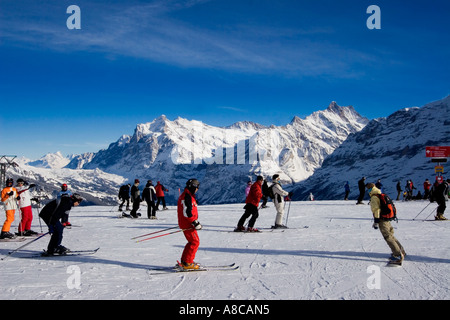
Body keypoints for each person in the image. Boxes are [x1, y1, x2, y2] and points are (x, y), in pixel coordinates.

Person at [366, 183, 405, 265]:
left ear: (370, 189)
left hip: (382, 220)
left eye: (368, 188)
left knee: (387, 236)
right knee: (391, 235)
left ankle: (397, 255)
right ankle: (401, 251)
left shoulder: (374, 197)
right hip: (387, 219)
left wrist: (376, 221)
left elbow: (376, 210)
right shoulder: (380, 194)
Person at [177, 179, 202, 270]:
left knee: (191, 242)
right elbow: (187, 212)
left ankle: (185, 261)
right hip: (188, 223)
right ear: (193, 187)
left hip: (186, 223)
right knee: (195, 242)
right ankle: (188, 263)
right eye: (197, 188)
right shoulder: (187, 196)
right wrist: (194, 222)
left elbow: (188, 207)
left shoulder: (188, 195)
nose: (197, 190)